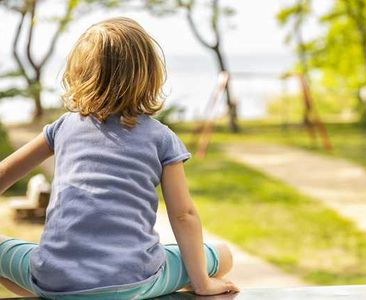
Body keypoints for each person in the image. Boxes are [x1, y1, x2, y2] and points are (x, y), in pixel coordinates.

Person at [0, 17, 239, 299]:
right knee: (222, 255)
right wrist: (202, 284)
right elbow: (183, 214)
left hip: (55, 278)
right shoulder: (161, 138)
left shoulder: (63, 127)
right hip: (134, 280)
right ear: (149, 76)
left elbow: (3, 173)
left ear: (78, 74)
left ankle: (67, 294)